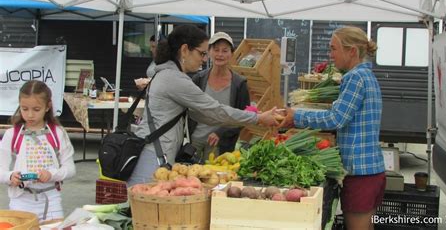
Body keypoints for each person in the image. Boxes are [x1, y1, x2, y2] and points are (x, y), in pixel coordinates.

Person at [128, 25, 277, 186]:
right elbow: (214, 110)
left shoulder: (169, 74)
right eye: (202, 53)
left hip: (157, 153)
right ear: (185, 50)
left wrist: (244, 120)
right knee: (144, 206)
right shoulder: (175, 79)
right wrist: (258, 117)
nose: (204, 59)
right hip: (153, 156)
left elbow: (201, 114)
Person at [278, 26, 385, 230]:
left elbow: (336, 119)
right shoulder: (368, 76)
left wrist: (297, 116)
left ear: (351, 51)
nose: (331, 55)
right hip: (371, 171)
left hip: (360, 173)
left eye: (334, 49)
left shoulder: (355, 78)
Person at [0, 80, 76, 221]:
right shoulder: (12, 134)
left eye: (36, 109)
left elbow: (70, 169)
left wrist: (52, 174)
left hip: (51, 201)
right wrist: (10, 177)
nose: (29, 115)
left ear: (47, 107)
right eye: (24, 109)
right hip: (21, 201)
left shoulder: (58, 133)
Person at [189, 32, 250, 159]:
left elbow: (243, 116)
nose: (220, 54)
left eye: (225, 50)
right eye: (216, 50)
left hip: (221, 144)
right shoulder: (198, 79)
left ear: (231, 54)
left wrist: (220, 132)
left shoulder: (239, 84)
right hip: (195, 141)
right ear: (209, 52)